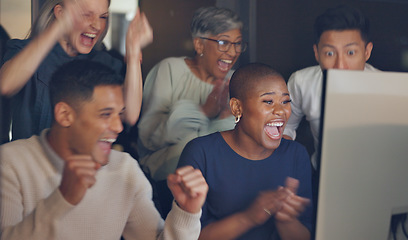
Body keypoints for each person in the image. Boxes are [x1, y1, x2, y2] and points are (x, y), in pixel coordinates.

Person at [0, 60, 208, 239]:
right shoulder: (10, 163)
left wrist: (187, 212)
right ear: (64, 115)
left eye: (120, 114)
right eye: (106, 114)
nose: (118, 127)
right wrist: (62, 199)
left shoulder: (124, 168)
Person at [178, 63, 313, 240]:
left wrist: (286, 220)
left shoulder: (296, 155)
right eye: (268, 101)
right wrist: (248, 217)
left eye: (286, 101)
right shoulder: (201, 153)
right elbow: (187, 236)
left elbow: (306, 236)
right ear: (236, 108)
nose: (281, 111)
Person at [137, 6, 247, 218]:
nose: (233, 52)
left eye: (238, 44)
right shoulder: (169, 70)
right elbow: (148, 138)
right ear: (199, 44)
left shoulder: (237, 82)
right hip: (169, 187)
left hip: (225, 190)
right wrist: (204, 112)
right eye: (224, 42)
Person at [0, 0, 153, 141]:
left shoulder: (105, 63)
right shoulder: (23, 51)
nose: (97, 25)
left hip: (86, 165)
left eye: (103, 17)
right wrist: (58, 27)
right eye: (86, 14)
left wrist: (133, 53)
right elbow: (6, 84)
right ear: (60, 13)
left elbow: (130, 115)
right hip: (33, 165)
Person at [283, 5, 378, 169]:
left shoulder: (386, 88)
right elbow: (286, 127)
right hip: (320, 174)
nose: (340, 65)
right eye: (329, 53)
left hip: (376, 175)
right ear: (317, 53)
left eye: (350, 53)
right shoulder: (301, 82)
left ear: (367, 52)